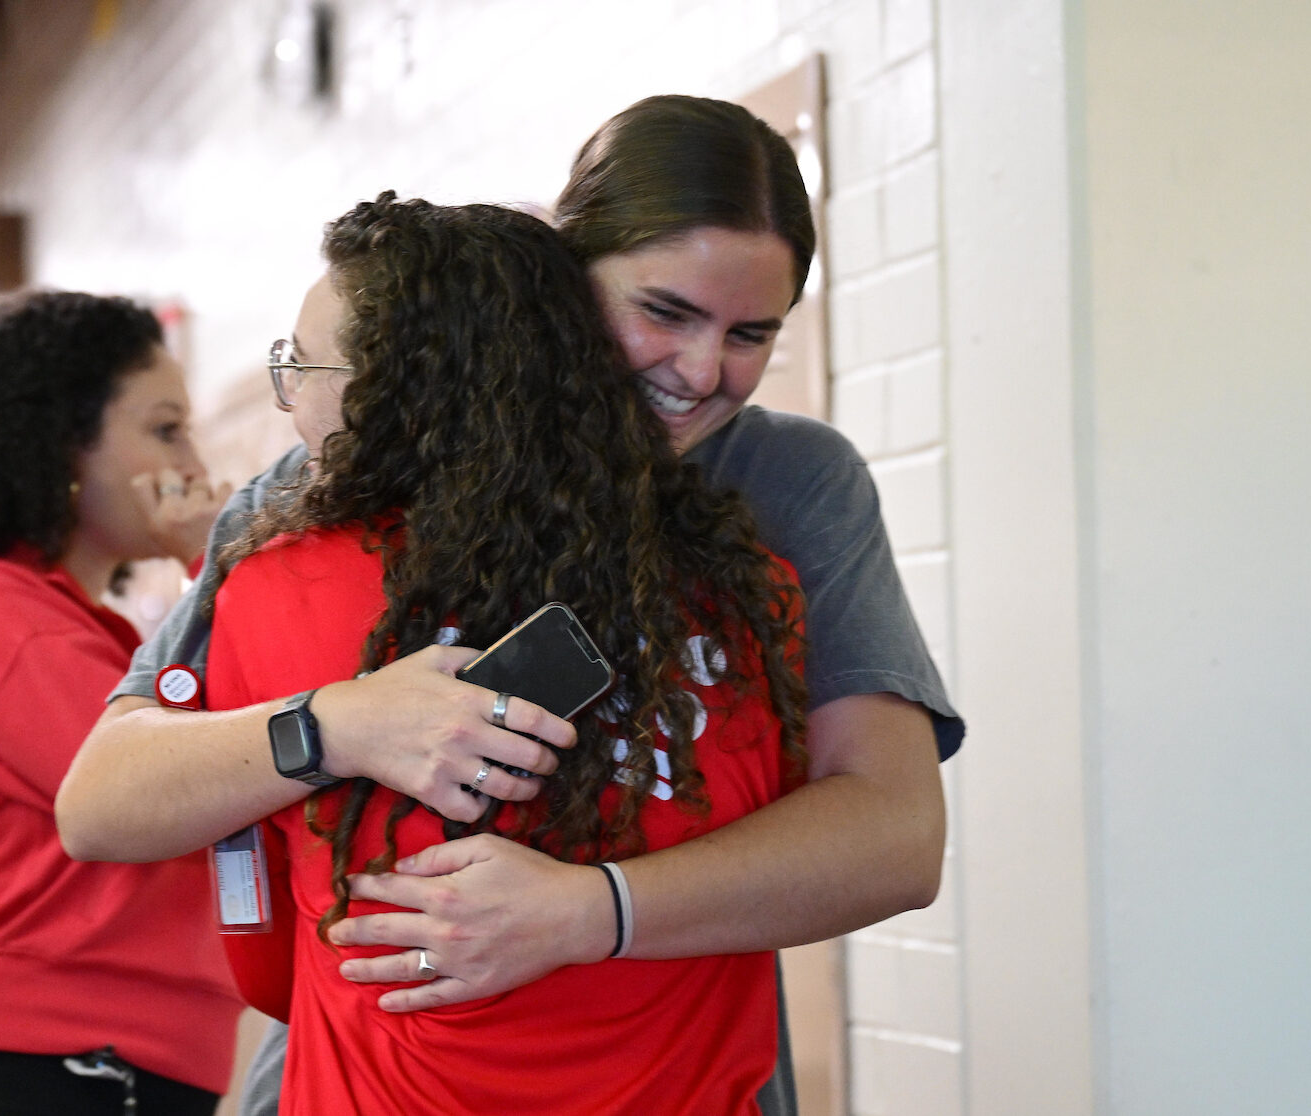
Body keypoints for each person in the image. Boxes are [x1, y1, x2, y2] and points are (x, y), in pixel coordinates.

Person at [57, 95, 957, 1116]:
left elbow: (891, 833)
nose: (704, 372)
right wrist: (333, 726)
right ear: (559, 284)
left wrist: (589, 911)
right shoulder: (319, 497)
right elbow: (105, 797)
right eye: (663, 313)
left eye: (751, 333)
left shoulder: (785, 487)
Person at [218, 194, 810, 1111]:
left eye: (304, 365)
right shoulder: (747, 597)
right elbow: (806, 869)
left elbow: (255, 955)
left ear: (397, 388)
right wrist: (606, 912)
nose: (289, 391)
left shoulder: (278, 590)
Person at [0, 291, 241, 1116]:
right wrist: (220, 561)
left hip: (112, 1067)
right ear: (62, 445)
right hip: (45, 1064)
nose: (193, 462)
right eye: (164, 430)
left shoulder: (100, 632)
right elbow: (181, 787)